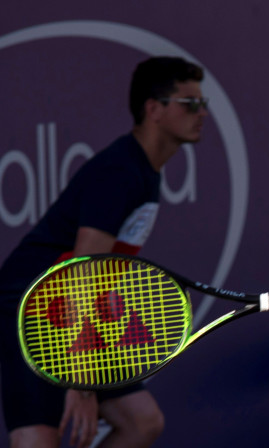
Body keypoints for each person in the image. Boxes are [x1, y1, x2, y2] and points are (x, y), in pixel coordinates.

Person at [0, 56, 209, 448]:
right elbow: (81, 271)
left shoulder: (146, 170)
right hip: (30, 306)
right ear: (154, 110)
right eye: (189, 103)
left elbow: (97, 273)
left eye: (203, 104)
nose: (202, 114)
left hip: (69, 309)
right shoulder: (120, 173)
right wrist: (81, 383)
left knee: (142, 421)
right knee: (37, 439)